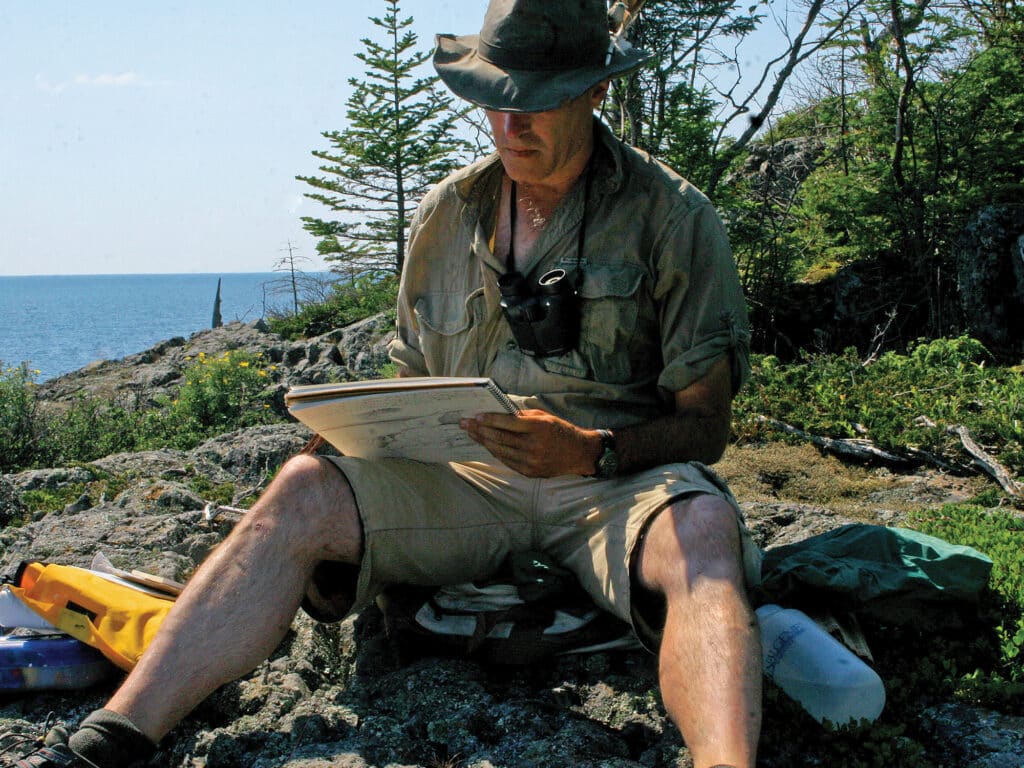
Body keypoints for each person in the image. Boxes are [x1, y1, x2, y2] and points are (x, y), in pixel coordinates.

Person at [11, 1, 763, 767]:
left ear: (595, 91)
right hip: (464, 481)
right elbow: (412, 377)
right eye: (494, 100)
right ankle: (113, 736)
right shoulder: (447, 212)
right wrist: (358, 430)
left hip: (615, 485)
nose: (511, 125)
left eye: (536, 101)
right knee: (302, 488)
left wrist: (593, 451)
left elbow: (706, 427)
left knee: (703, 532)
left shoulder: (674, 217)